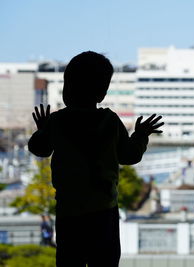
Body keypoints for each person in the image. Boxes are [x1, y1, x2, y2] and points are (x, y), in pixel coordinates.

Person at [28, 51, 163, 267]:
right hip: (104, 210)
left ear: (67, 88)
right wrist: (141, 135)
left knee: (69, 261)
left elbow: (39, 149)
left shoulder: (58, 121)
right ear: (102, 92)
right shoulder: (109, 121)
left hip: (68, 211)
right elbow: (129, 156)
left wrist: (42, 130)